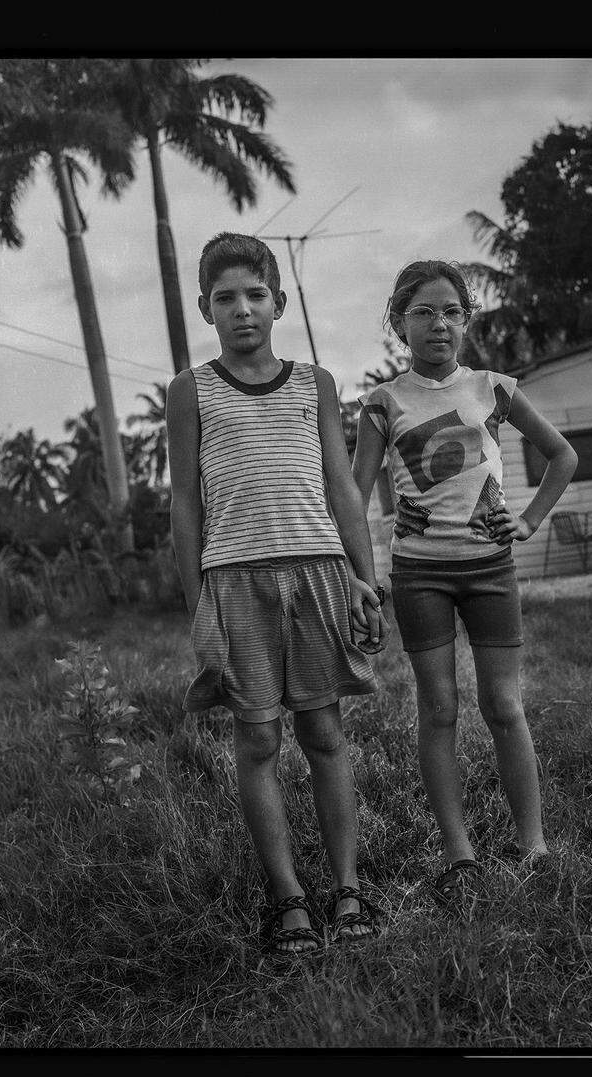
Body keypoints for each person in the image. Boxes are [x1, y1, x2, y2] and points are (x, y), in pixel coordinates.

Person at [166, 232, 388, 955]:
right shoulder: (190, 390)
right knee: (258, 735)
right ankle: (288, 895)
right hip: (235, 579)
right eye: (225, 297)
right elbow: (185, 506)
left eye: (255, 294)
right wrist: (196, 603)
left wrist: (366, 576)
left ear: (279, 302)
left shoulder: (314, 383)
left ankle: (348, 886)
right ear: (205, 308)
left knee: (324, 731)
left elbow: (341, 486)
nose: (242, 309)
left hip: (318, 572)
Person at [351, 259, 578, 905]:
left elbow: (563, 455)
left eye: (451, 310)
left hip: (490, 570)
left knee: (504, 706)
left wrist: (529, 521)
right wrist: (367, 568)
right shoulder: (381, 403)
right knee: (440, 708)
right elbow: (356, 491)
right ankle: (459, 850)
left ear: (466, 320)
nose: (439, 323)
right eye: (423, 311)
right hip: (419, 575)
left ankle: (532, 842)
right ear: (399, 322)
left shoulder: (494, 387)